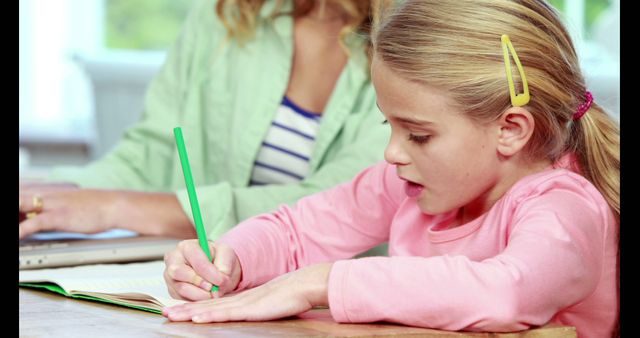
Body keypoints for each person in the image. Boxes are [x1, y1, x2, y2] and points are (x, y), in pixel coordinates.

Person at [161, 0, 620, 337]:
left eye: (417, 135)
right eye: (390, 126)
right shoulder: (408, 182)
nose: (392, 153)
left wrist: (323, 281)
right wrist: (232, 260)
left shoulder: (564, 207)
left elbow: (506, 294)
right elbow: (295, 232)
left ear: (511, 129)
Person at [18, 0, 390, 243]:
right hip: (209, 283)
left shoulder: (414, 36)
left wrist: (115, 207)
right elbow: (152, 153)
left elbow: (344, 205)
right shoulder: (226, 13)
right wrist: (54, 194)